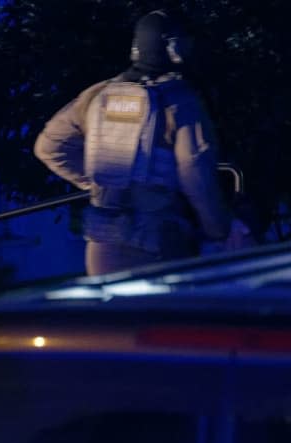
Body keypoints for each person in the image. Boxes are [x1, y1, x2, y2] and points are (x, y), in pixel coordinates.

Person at [34, 10, 244, 275]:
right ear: (173, 47)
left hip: (101, 246)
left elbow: (49, 147)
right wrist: (219, 229)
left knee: (115, 316)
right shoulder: (179, 100)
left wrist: (99, 182)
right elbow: (194, 174)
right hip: (159, 244)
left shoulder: (98, 95)